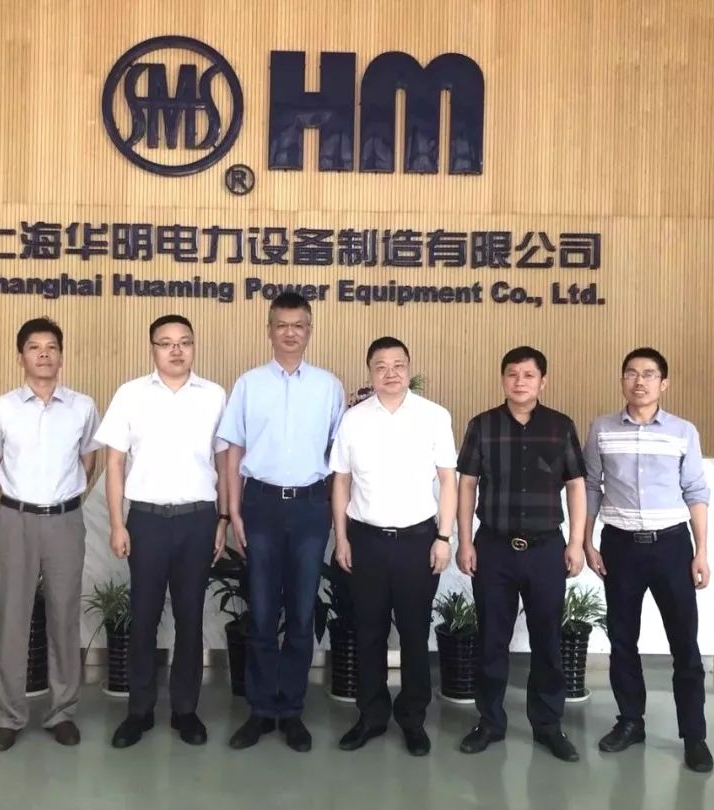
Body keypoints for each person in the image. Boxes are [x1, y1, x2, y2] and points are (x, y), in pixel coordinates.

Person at [217, 292, 345, 753]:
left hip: (310, 507)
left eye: (299, 325)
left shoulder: (329, 387)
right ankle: (259, 710)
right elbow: (233, 450)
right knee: (262, 611)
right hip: (261, 505)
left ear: (309, 331)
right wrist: (233, 511)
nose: (290, 332)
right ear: (269, 330)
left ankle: (290, 710)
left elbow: (340, 459)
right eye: (282, 325)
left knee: (303, 612)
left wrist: (337, 521)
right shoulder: (249, 384)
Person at [94, 315, 229, 749]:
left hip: (198, 520)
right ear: (152, 348)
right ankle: (139, 711)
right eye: (166, 342)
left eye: (184, 342)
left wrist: (223, 520)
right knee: (144, 618)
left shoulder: (214, 396)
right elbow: (114, 463)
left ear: (194, 346)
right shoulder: (130, 394)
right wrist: (117, 523)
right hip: (146, 521)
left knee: (191, 618)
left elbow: (225, 462)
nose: (176, 350)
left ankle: (186, 711)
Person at [582, 347, 713, 773]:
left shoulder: (683, 432)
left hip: (671, 547)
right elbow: (591, 486)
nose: (639, 381)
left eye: (649, 374)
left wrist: (701, 551)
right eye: (631, 373)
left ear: (664, 383)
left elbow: (695, 491)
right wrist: (586, 541)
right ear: (622, 380)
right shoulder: (601, 429)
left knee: (684, 644)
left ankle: (694, 735)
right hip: (620, 546)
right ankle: (630, 722)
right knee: (623, 640)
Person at [455, 346, 586, 762]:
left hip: (546, 548)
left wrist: (576, 542)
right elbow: (467, 485)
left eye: (529, 375)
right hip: (494, 547)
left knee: (547, 639)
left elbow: (576, 485)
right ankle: (490, 722)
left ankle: (548, 725)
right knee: (492, 639)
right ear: (503, 379)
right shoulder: (483, 425)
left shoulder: (560, 426)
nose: (520, 381)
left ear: (542, 382)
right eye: (512, 374)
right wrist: (464, 541)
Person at [329, 337, 457, 757]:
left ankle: (413, 720)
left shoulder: (434, 416)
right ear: (370, 372)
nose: (390, 373)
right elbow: (341, 481)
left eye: (398, 365)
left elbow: (448, 480)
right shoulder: (353, 420)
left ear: (409, 368)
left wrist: (444, 537)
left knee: (415, 633)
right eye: (381, 366)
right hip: (365, 541)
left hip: (417, 542)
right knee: (368, 632)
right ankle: (371, 716)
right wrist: (341, 537)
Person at [0, 317, 101, 752]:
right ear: (21, 357)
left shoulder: (83, 407)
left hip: (65, 520)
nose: (44, 354)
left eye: (51, 347)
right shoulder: (1, 408)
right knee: (11, 618)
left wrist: (61, 496)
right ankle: (9, 716)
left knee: (64, 617)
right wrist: (24, 498)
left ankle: (61, 713)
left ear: (61, 356)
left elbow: (89, 461)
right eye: (34, 347)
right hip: (17, 521)